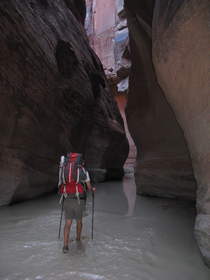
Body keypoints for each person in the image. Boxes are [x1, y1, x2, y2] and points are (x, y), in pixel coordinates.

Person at [61, 162, 95, 253]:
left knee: (68, 223)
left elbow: (61, 183)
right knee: (79, 221)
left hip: (67, 198)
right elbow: (88, 187)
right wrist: (92, 189)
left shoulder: (64, 170)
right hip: (79, 200)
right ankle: (78, 239)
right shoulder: (83, 171)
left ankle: (65, 246)